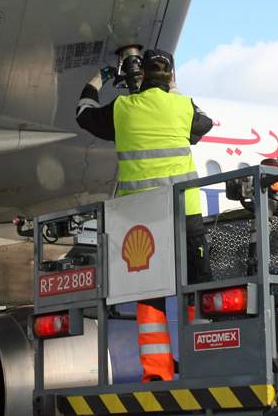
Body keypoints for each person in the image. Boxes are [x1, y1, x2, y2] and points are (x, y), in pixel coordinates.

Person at [75, 48, 212, 382]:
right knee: (199, 289)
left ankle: (157, 372)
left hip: (141, 221)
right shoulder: (182, 106)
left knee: (149, 295)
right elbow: (202, 125)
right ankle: (203, 365)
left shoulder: (123, 109)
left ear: (143, 77)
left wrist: (100, 80)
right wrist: (172, 92)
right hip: (185, 214)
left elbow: (84, 114)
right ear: (170, 78)